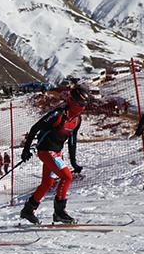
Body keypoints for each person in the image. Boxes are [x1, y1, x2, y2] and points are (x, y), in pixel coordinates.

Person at [19, 86, 92, 225]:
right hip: (46, 151)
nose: (82, 107)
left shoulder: (77, 120)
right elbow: (35, 128)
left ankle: (28, 210)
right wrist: (26, 149)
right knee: (66, 176)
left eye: (84, 105)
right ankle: (59, 212)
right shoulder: (58, 114)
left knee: (47, 183)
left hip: (56, 152)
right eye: (80, 104)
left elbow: (72, 141)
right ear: (72, 101)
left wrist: (74, 162)